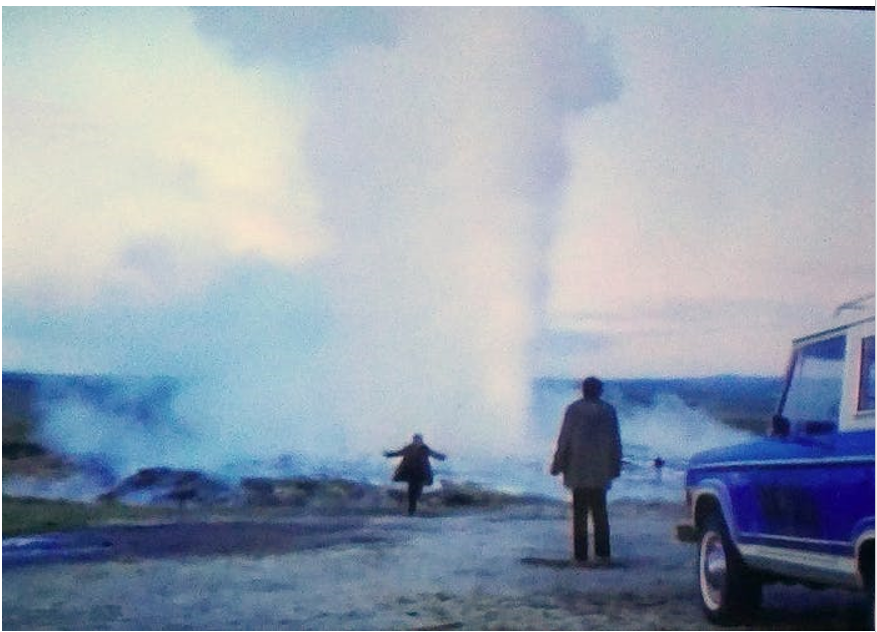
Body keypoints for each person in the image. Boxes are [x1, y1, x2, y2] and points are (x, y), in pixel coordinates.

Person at [550, 376, 622, 565]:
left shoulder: (574, 410)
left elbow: (564, 439)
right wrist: (615, 467)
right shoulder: (608, 410)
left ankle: (580, 555)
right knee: (600, 512)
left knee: (579, 514)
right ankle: (603, 554)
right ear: (599, 391)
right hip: (600, 470)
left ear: (583, 390)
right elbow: (615, 441)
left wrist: (557, 465)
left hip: (578, 469)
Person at [384, 434, 446, 515]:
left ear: (421, 440)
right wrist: (389, 454)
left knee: (417, 491)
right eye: (415, 439)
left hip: (421, 474)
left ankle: (413, 507)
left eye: (418, 439)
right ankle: (412, 509)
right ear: (414, 440)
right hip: (411, 473)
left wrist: (441, 457)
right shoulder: (409, 448)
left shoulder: (424, 448)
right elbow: (399, 452)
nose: (416, 441)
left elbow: (433, 454)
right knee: (412, 491)